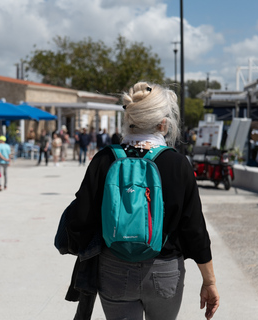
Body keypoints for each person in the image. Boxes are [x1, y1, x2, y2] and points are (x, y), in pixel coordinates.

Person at [61, 82, 219, 320]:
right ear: (164, 124)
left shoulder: (104, 159)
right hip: (165, 271)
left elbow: (80, 219)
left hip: (113, 267)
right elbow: (194, 228)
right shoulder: (178, 164)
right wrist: (209, 281)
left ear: (129, 119)